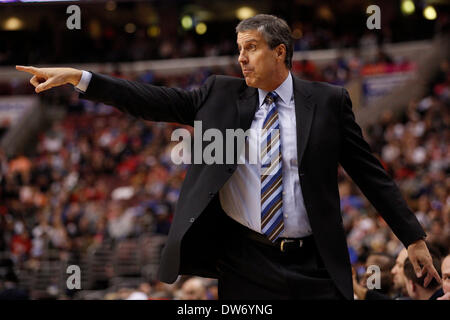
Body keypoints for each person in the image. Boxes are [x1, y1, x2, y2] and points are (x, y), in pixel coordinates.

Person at [15, 14, 440, 300]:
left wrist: (413, 238)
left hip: (314, 259)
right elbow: (153, 100)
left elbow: (371, 174)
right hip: (245, 260)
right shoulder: (218, 94)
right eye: (239, 48)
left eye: (251, 47)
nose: (240, 57)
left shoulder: (328, 102)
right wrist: (81, 79)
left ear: (280, 52)